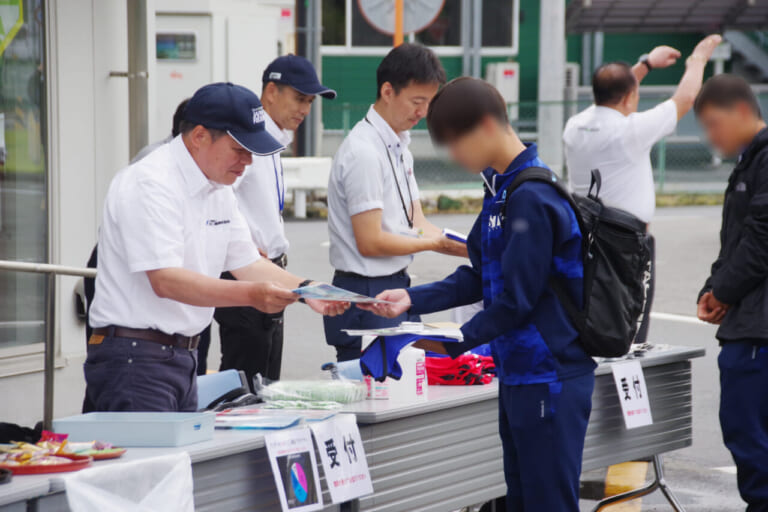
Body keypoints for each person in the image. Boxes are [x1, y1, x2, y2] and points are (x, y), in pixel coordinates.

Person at [361, 77, 596, 511]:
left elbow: (517, 300)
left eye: (456, 143)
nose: (454, 156)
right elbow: (481, 275)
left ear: (487, 125)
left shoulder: (532, 196)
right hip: (518, 374)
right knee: (521, 499)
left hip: (549, 375)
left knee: (548, 503)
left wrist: (448, 340)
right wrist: (413, 300)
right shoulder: (500, 191)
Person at [86, 82, 347, 412]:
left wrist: (308, 289)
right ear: (199, 137)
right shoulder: (150, 182)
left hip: (181, 355)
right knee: (155, 461)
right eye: (239, 149)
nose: (248, 162)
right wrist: (252, 296)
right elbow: (166, 280)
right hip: (135, 357)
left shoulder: (217, 186)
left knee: (184, 462)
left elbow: (247, 262)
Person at [563, 34, 722, 346]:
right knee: (628, 320)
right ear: (629, 97)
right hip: (626, 242)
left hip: (584, 233)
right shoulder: (629, 131)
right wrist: (697, 60)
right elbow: (686, 98)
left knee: (590, 308)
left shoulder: (575, 126)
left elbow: (616, 90)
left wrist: (646, 64)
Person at [325, 43, 467, 362]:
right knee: (376, 401)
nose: (423, 112)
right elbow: (371, 241)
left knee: (404, 392)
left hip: (395, 286)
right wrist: (435, 245)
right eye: (417, 101)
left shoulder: (399, 146)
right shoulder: (364, 152)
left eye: (429, 102)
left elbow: (417, 224)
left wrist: (467, 248)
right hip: (366, 292)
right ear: (388, 91)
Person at [214, 56, 336, 388]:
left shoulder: (274, 139)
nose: (305, 110)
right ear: (271, 91)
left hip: (271, 272)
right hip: (247, 271)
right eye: (299, 98)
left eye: (310, 102)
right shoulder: (252, 139)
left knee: (267, 381)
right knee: (246, 381)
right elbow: (221, 195)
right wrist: (247, 245)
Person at [694, 74, 768, 511]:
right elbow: (736, 240)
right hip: (749, 322)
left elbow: (761, 240)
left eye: (713, 123)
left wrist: (722, 290)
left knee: (750, 436)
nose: (710, 136)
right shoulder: (750, 161)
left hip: (758, 334)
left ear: (742, 111)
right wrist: (713, 285)